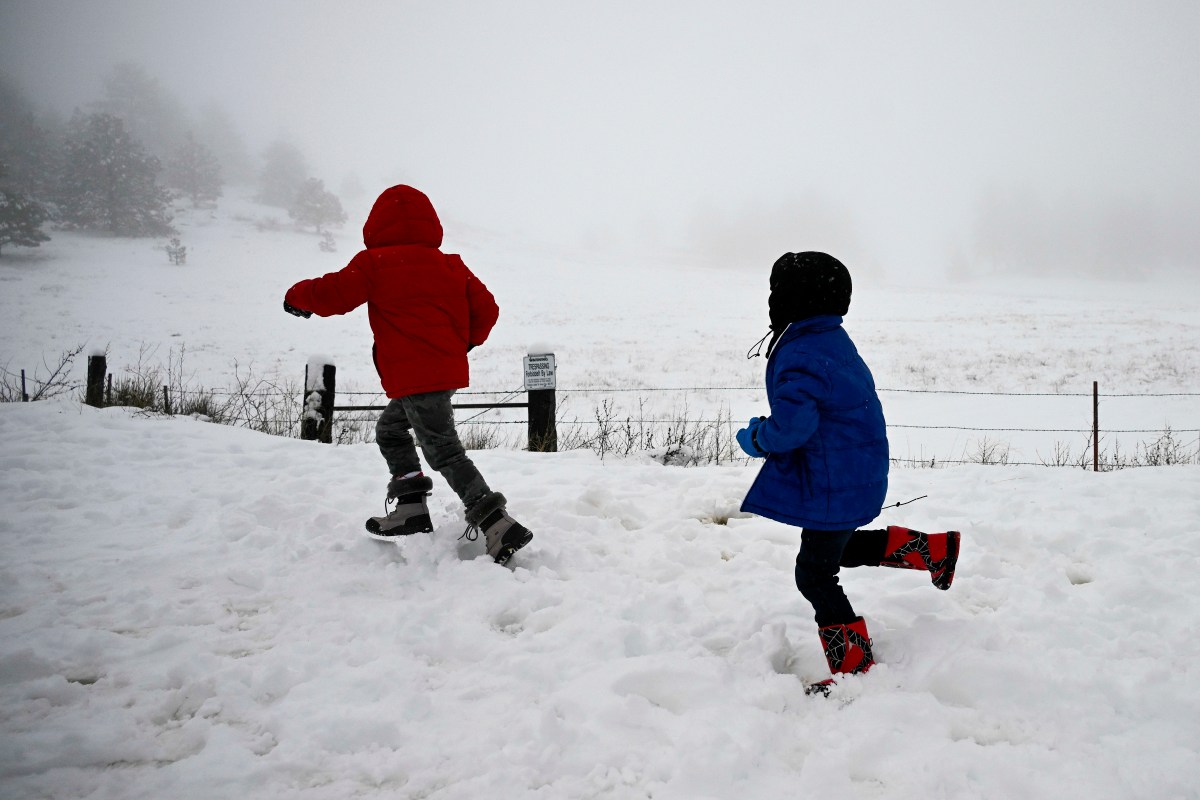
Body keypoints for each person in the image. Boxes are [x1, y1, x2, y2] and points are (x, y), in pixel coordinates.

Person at [736, 251, 960, 695]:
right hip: (853, 469)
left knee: (814, 574)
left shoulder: (801, 352)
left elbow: (792, 427)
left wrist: (758, 436)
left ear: (790, 299)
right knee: (837, 548)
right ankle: (934, 551)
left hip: (835, 477)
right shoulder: (828, 337)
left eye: (776, 293)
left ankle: (854, 668)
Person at [282, 184, 533, 566]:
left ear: (376, 224)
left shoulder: (375, 263)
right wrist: (462, 344)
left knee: (443, 450)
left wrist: (297, 296)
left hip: (416, 377)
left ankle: (496, 522)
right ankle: (410, 507)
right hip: (440, 373)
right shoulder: (451, 265)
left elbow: (334, 293)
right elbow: (488, 310)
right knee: (391, 431)